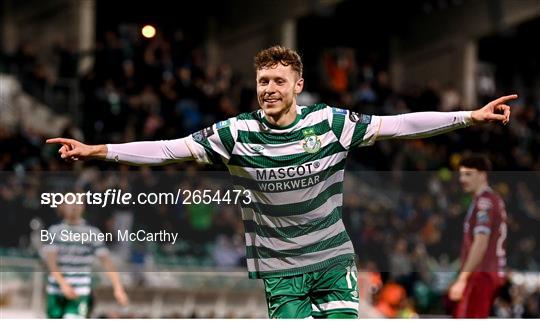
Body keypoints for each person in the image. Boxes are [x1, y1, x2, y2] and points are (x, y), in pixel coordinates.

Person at [47, 45, 516, 318]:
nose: (268, 88)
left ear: (297, 85)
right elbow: (167, 148)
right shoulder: (235, 133)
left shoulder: (331, 123)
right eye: (262, 81)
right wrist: (99, 149)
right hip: (281, 269)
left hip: (333, 258)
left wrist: (468, 117)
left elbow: (398, 124)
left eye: (277, 80)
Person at [43, 202, 129, 318]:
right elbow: (51, 262)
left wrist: (118, 288)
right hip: (56, 290)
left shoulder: (92, 232)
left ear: (82, 206)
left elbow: (107, 262)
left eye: (76, 203)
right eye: (69, 203)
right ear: (62, 206)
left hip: (80, 291)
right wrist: (63, 284)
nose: (73, 206)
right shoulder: (54, 230)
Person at [448, 154, 508, 317]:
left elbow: (480, 243)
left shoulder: (485, 202)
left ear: (482, 175)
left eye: (468, 174)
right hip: (487, 273)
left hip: (482, 273)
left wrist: (462, 279)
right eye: (461, 174)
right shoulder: (488, 200)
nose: (462, 179)